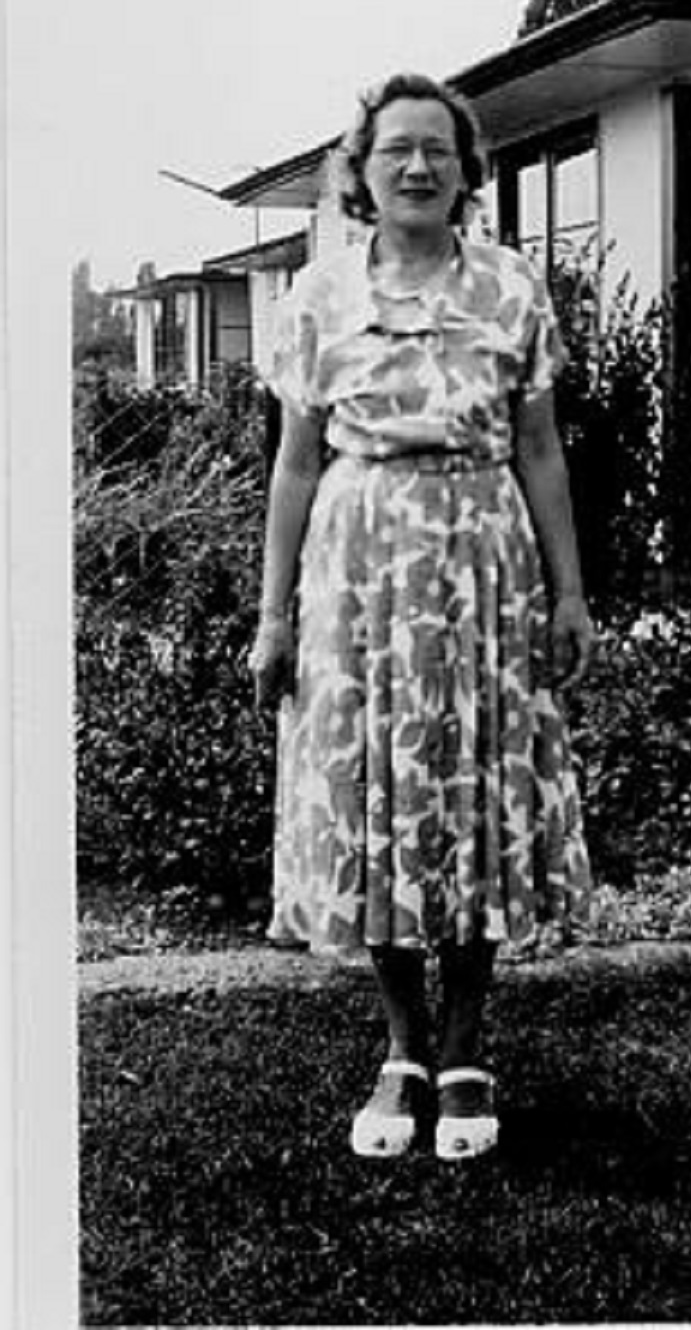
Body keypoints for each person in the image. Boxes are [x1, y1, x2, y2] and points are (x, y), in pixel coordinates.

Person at [248, 72, 594, 1163]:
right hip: (356, 573)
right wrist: (273, 618)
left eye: (437, 150)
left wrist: (570, 591)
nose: (416, 167)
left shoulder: (512, 289)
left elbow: (540, 448)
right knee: (376, 796)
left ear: (467, 169)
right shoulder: (315, 298)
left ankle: (466, 1043)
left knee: (475, 792)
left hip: (484, 565)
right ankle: (401, 1047)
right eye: (395, 149)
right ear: (361, 169)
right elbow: (294, 468)